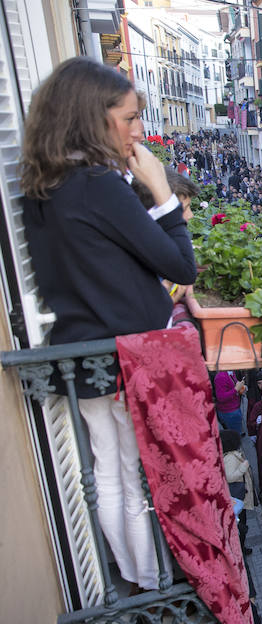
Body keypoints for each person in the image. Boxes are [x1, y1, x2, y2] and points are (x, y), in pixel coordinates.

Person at [21, 57, 196, 591]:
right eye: (128, 118)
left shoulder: (44, 185)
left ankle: (135, 574)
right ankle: (150, 580)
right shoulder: (98, 183)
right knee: (131, 473)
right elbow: (181, 266)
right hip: (126, 357)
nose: (138, 130)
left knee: (112, 471)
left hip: (85, 353)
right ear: (92, 118)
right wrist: (160, 190)